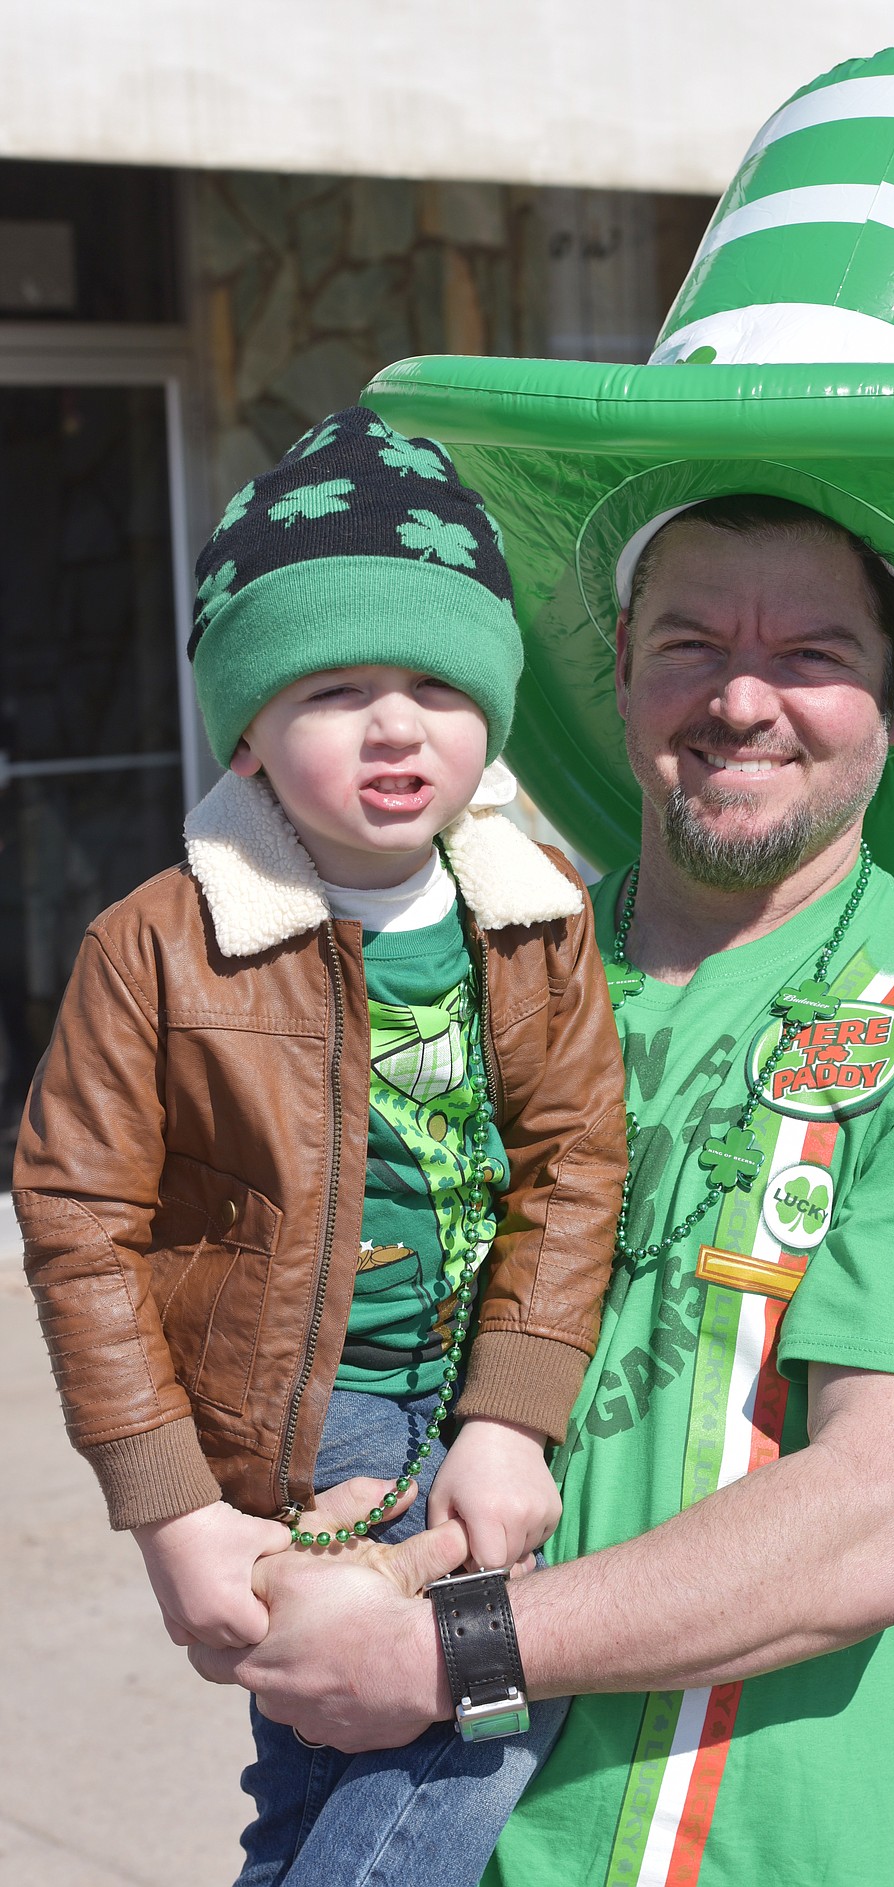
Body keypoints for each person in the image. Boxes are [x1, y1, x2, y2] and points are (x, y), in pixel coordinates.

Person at [189, 494, 894, 1886]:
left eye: (809, 652)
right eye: (688, 644)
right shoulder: (468, 971)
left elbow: (875, 1527)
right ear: (616, 667)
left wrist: (443, 1654)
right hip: (378, 1835)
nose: (741, 699)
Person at [15, 408, 627, 1886]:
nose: (396, 723)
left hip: (462, 1382)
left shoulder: (535, 908)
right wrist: (173, 1506)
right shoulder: (157, 946)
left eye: (435, 682)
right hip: (307, 1410)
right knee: (471, 1721)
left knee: (318, 1781)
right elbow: (77, 1219)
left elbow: (574, 1162)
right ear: (247, 727)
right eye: (335, 686)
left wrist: (512, 1413)